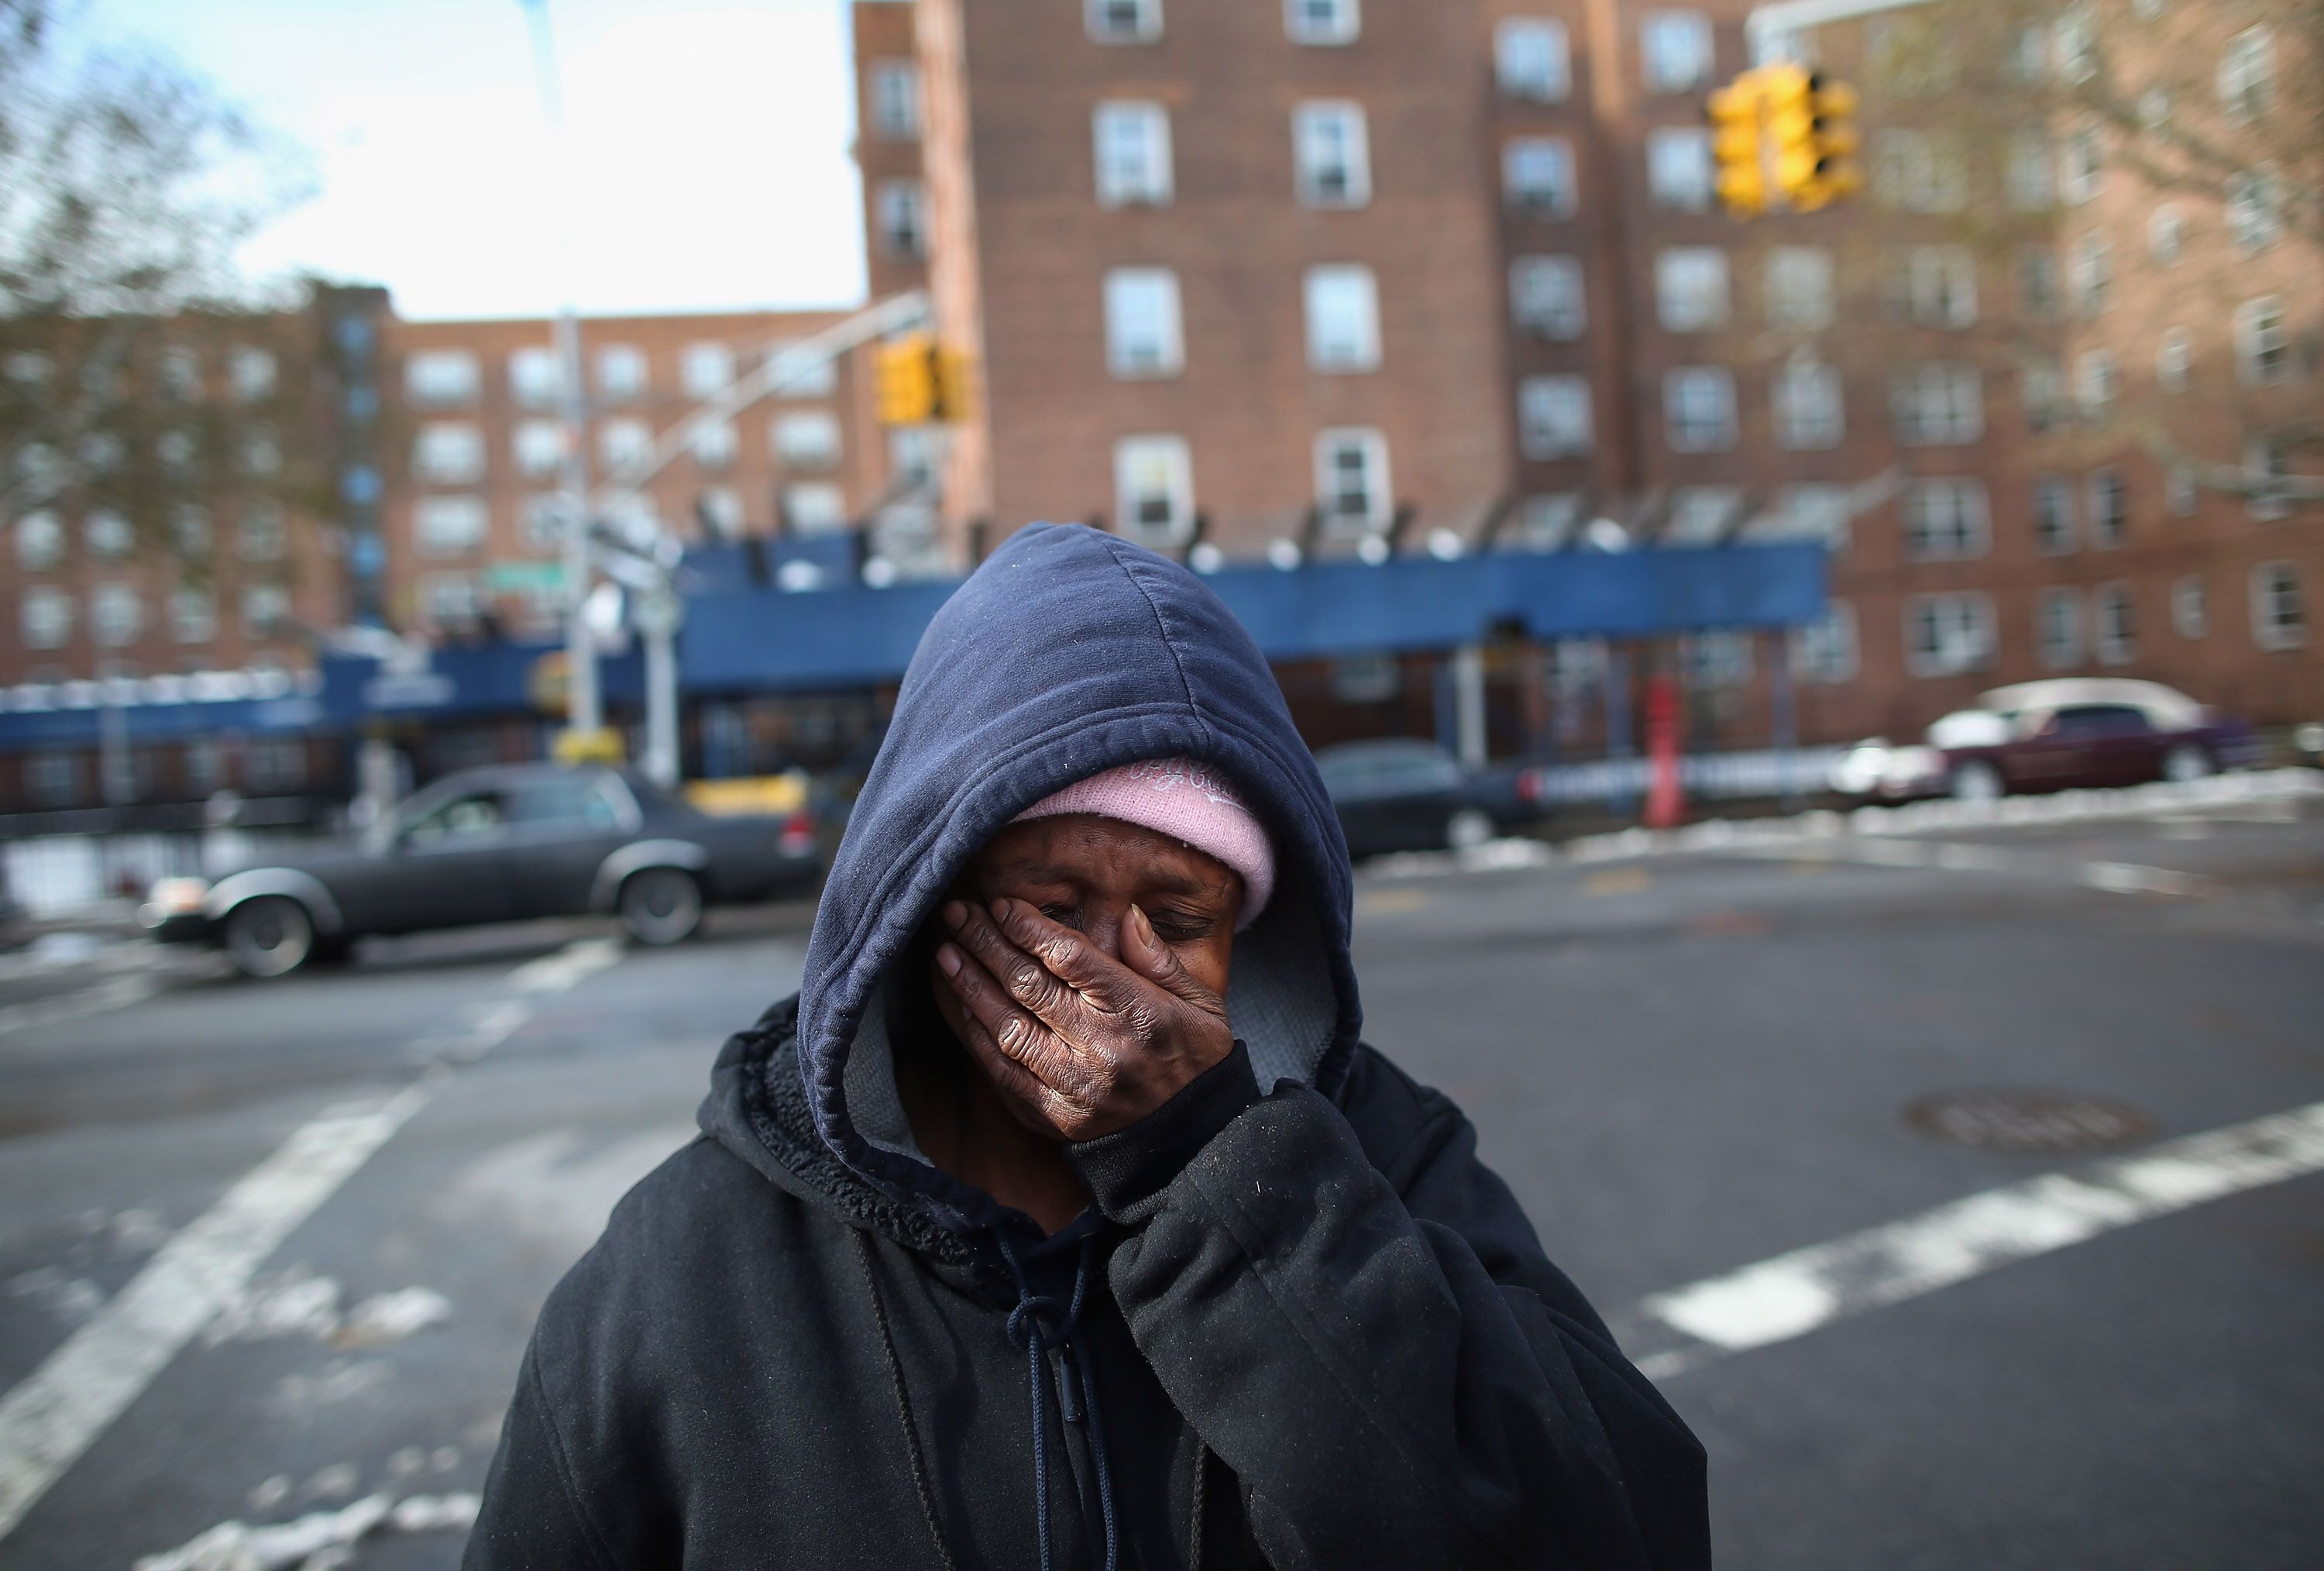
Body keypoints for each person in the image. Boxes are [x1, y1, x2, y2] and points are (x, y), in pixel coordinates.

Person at [465, 523, 1709, 1569]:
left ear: (1256, 943)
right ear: (923, 916)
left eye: (1182, 920)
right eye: (1054, 913)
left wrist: (1209, 1167)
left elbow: (1607, 1530)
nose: (1118, 978)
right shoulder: (689, 1272)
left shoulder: (1390, 1161)